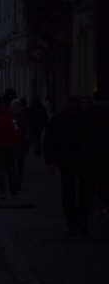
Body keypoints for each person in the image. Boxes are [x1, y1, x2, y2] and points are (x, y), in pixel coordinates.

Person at [44, 95, 95, 236]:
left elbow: (94, 138)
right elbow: (49, 141)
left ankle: (81, 220)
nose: (73, 107)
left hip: (83, 160)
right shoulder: (60, 120)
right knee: (69, 192)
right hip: (67, 160)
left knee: (84, 192)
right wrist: (50, 161)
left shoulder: (84, 119)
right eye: (71, 104)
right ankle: (72, 221)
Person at [0, 98, 23, 199]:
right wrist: (19, 146)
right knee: (11, 168)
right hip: (11, 147)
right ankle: (12, 190)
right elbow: (17, 133)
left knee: (0, 169)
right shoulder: (12, 119)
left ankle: (2, 191)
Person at [11, 98, 29, 192]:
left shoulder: (23, 116)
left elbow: (26, 130)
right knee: (13, 165)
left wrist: (26, 142)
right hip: (12, 144)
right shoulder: (10, 116)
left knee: (20, 165)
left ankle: (17, 183)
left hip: (20, 144)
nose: (15, 108)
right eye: (14, 106)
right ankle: (14, 183)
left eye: (16, 106)